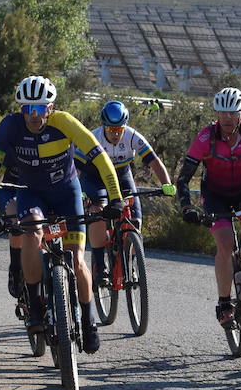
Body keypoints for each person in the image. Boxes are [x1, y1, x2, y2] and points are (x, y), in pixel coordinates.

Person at [0, 76, 125, 353]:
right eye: (27, 109)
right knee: (31, 232)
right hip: (30, 192)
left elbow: (100, 157)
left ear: (51, 107)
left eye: (40, 108)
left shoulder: (65, 122)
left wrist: (115, 197)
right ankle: (35, 305)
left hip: (67, 192)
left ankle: (88, 320)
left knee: (78, 259)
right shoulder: (10, 125)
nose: (34, 115)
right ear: (20, 108)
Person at [174, 87, 241, 326]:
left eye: (233, 113)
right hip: (215, 195)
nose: (228, 118)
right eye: (223, 113)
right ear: (217, 113)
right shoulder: (205, 138)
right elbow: (183, 178)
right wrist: (187, 206)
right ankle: (224, 302)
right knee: (225, 243)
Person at [74, 100, 177, 285]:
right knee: (98, 214)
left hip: (122, 175)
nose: (115, 134)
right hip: (95, 178)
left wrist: (167, 184)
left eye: (119, 129)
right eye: (111, 129)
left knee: (135, 219)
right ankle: (100, 266)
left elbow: (154, 161)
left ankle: (129, 259)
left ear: (125, 126)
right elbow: (75, 168)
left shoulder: (132, 136)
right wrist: (78, 192)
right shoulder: (93, 137)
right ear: (103, 126)